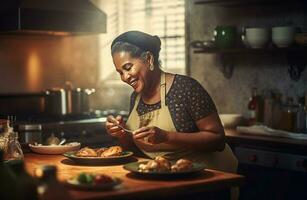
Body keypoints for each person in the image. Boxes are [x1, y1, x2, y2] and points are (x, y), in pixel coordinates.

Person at [106, 30, 238, 174]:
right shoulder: (136, 97)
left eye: (128, 68)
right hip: (164, 177)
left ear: (149, 59)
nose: (124, 77)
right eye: (120, 72)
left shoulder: (185, 88)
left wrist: (166, 137)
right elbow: (134, 149)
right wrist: (122, 134)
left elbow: (217, 140)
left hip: (206, 177)